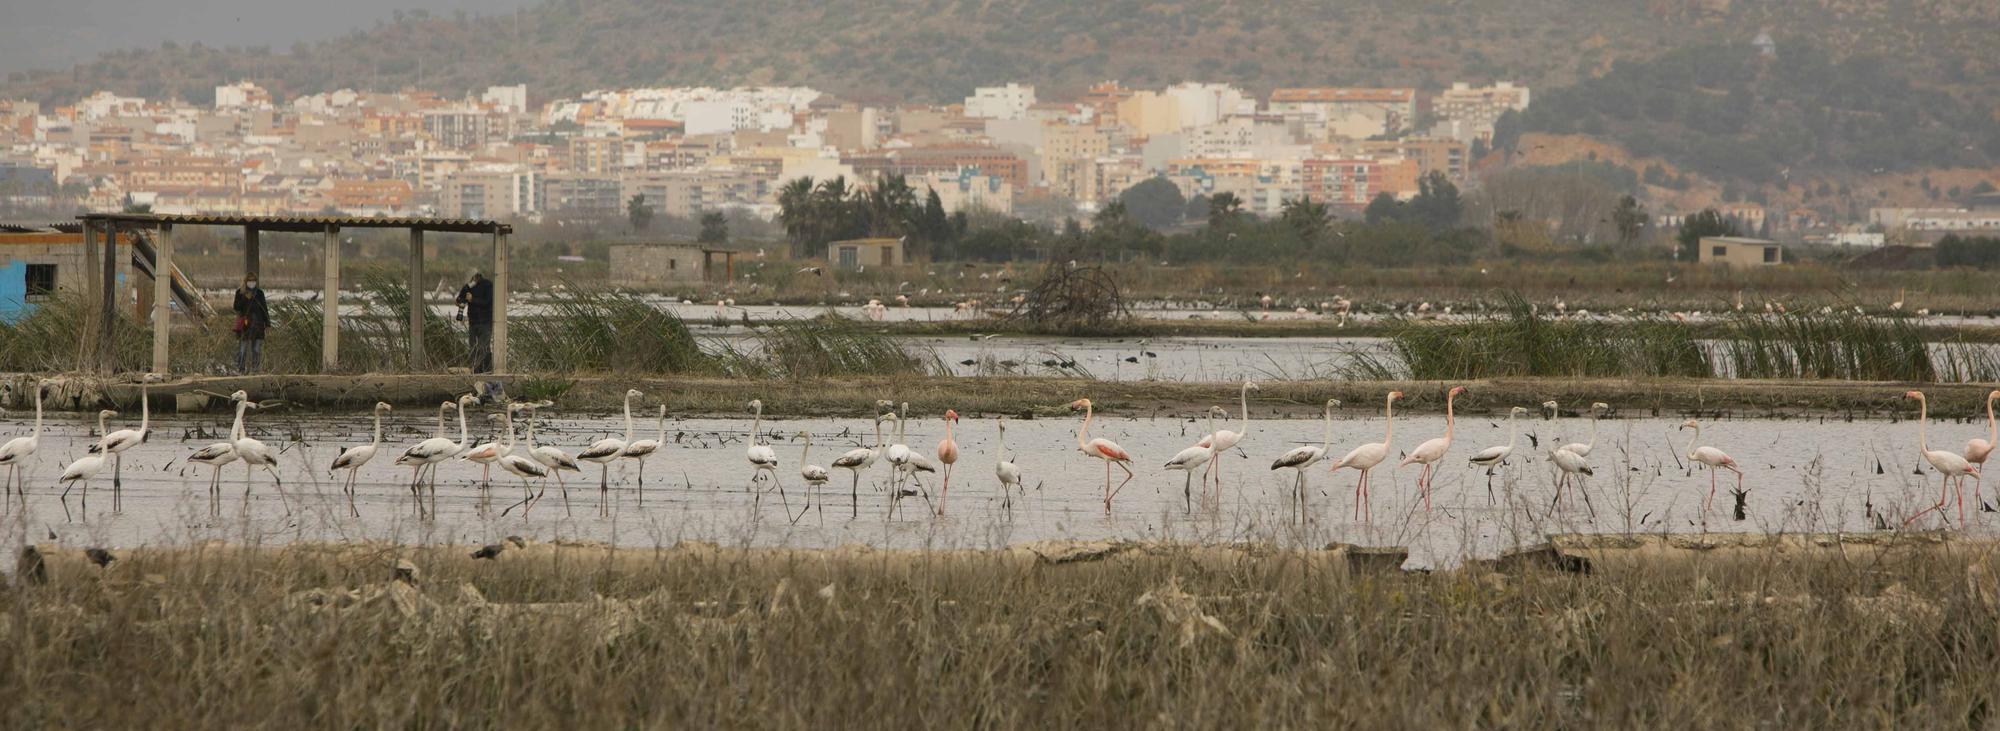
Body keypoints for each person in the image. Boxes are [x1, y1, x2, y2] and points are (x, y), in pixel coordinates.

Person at [456, 271, 494, 373]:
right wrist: (459, 301)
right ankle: (476, 369)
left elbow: (487, 302)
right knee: (473, 347)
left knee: (483, 346)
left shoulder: (488, 285)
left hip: (485, 320)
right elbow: (461, 298)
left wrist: (473, 299)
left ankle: (487, 369)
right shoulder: (468, 286)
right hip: (473, 321)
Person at [232, 273, 269, 373]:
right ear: (246, 281)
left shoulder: (259, 293)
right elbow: (236, 307)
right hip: (245, 325)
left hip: (258, 324)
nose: (252, 283)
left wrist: (267, 324)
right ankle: (241, 369)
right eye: (250, 280)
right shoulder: (240, 292)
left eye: (254, 281)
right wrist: (245, 298)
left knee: (256, 350)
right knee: (242, 349)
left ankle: (255, 370)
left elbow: (264, 308)